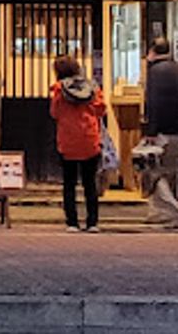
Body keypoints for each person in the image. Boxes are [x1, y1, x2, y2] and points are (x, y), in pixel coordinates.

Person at [50, 56, 106, 233]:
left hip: (67, 142)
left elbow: (55, 112)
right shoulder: (92, 87)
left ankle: (72, 222)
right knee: (90, 183)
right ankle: (92, 222)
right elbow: (101, 109)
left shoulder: (60, 90)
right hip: (89, 140)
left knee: (69, 183)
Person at [143, 36, 178, 229]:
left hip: (163, 131)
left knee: (158, 173)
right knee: (173, 172)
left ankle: (174, 213)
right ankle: (164, 212)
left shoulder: (155, 72)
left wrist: (151, 130)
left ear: (152, 51)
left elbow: (154, 103)